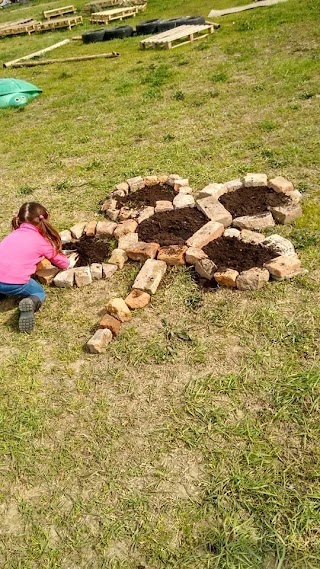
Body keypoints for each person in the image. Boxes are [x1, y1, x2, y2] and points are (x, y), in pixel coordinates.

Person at [0, 202, 78, 333]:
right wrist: (69, 262)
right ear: (43, 221)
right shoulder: (41, 242)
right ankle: (30, 303)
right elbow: (58, 260)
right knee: (38, 292)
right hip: (16, 283)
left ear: (18, 219)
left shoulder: (11, 236)